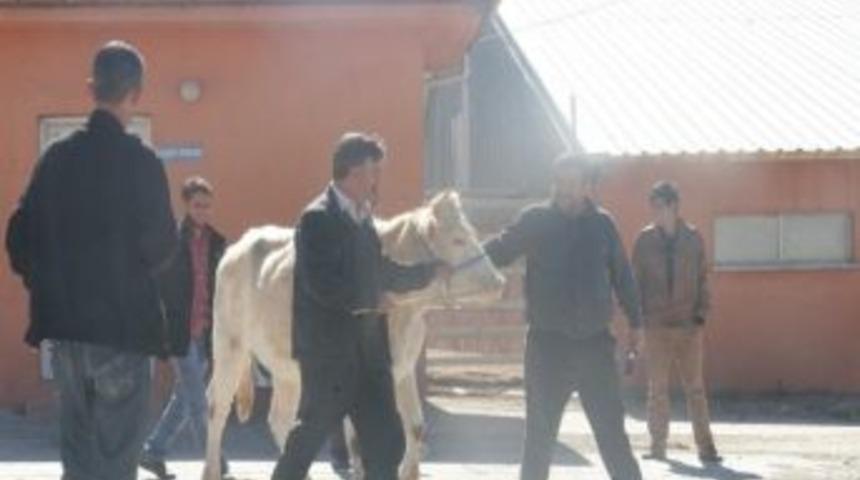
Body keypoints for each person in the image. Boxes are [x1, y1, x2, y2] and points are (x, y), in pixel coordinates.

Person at [5, 40, 178, 480]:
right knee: (116, 463)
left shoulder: (56, 159)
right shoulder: (142, 163)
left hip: (66, 334)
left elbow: (19, 238)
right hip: (122, 331)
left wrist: (48, 284)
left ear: (90, 88)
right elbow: (162, 248)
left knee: (78, 463)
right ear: (136, 93)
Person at [270, 132, 449, 480]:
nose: (375, 179)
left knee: (387, 442)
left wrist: (428, 272)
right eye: (372, 171)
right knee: (307, 440)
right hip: (328, 356)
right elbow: (321, 284)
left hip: (369, 355)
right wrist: (369, 299)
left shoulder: (363, 217)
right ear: (353, 171)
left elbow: (380, 270)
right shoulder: (316, 218)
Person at [483, 154, 643, 480]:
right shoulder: (536, 220)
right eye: (560, 183)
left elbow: (623, 277)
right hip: (547, 348)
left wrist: (637, 326)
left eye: (572, 183)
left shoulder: (603, 225)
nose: (564, 191)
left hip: (596, 348)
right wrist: (459, 259)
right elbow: (499, 250)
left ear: (587, 187)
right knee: (539, 440)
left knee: (613, 436)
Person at [140, 176, 228, 479]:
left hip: (206, 331)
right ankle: (217, 465)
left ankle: (153, 452)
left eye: (207, 205)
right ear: (186, 205)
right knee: (198, 402)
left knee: (185, 397)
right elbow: (158, 287)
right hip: (179, 331)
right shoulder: (171, 241)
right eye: (196, 205)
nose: (202, 211)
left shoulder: (218, 243)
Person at [632, 181, 721, 464]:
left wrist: (701, 315)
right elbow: (635, 283)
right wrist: (638, 321)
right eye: (652, 206)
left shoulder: (693, 238)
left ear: (674, 206)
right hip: (657, 327)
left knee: (695, 389)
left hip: (688, 326)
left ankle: (706, 449)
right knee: (657, 390)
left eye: (660, 205)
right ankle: (658, 447)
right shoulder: (644, 241)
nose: (655, 212)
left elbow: (703, 278)